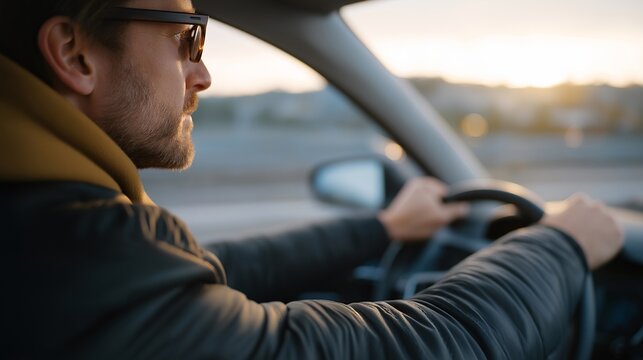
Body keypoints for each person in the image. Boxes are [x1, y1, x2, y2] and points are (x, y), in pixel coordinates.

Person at [0, 0, 623, 358]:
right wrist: (561, 245)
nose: (204, 75)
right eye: (186, 40)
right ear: (76, 56)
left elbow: (213, 268)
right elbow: (434, 347)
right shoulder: (72, 246)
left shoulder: (50, 231)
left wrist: (383, 226)